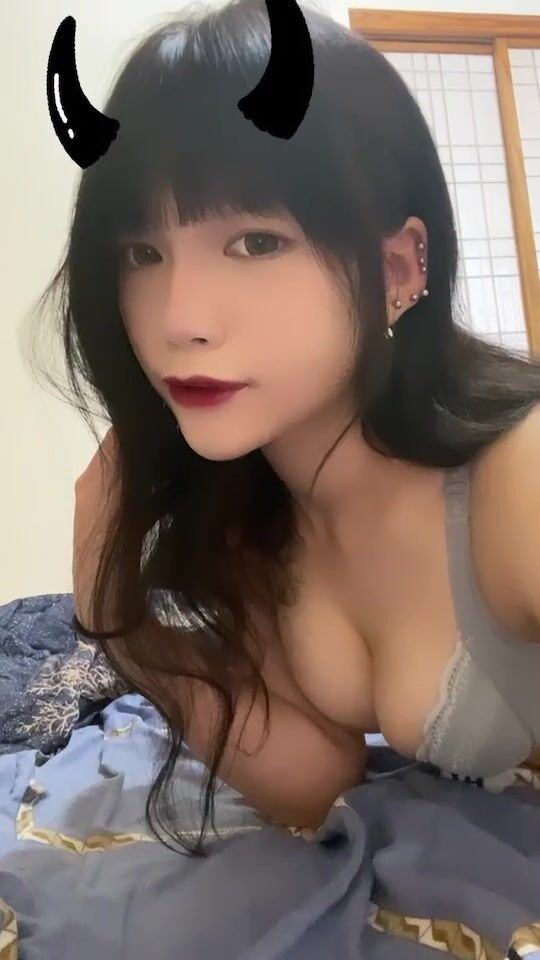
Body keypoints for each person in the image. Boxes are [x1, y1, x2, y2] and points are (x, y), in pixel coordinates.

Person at [31, 0, 540, 857]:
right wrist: (111, 606)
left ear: (396, 269)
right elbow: (312, 782)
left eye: (255, 243)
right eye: (143, 254)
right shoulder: (254, 511)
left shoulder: (519, 476)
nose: (180, 320)